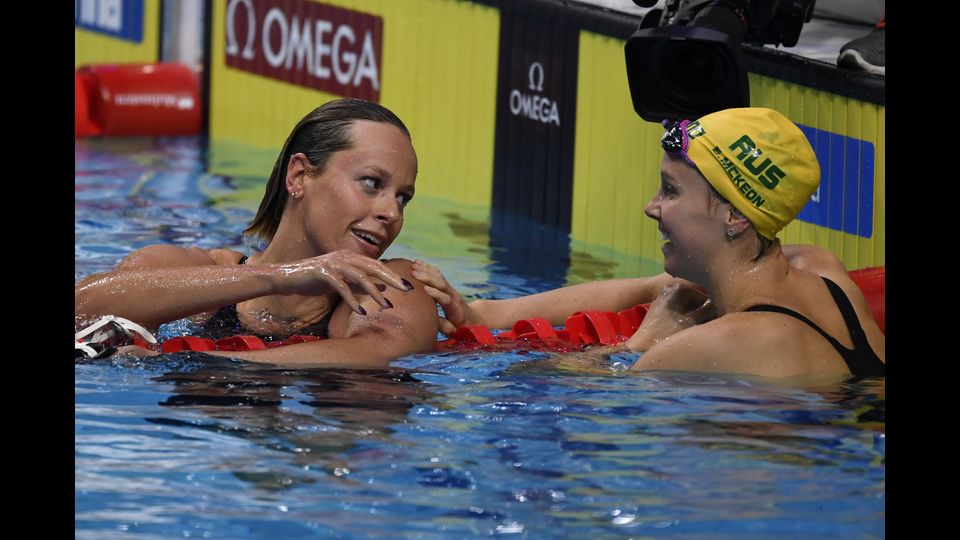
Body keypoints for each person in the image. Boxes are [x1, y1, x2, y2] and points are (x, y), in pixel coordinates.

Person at [413, 107, 885, 378]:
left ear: (736, 215)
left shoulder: (719, 345)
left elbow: (542, 387)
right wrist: (481, 313)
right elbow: (644, 288)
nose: (651, 206)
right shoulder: (816, 268)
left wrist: (640, 344)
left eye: (671, 190)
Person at [75, 98, 438, 367]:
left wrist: (195, 362)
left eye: (403, 198)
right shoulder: (195, 268)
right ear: (299, 176)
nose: (391, 212)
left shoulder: (394, 284)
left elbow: (382, 350)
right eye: (372, 183)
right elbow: (83, 310)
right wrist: (283, 277)